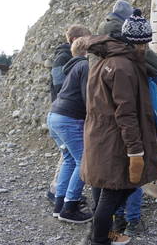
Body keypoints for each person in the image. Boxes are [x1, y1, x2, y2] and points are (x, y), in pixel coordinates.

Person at [82, 9, 157, 245]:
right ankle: (98, 240)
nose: (145, 48)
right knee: (116, 191)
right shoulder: (123, 67)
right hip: (116, 141)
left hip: (101, 137)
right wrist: (135, 151)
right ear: (134, 43)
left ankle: (97, 235)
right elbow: (125, 113)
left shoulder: (103, 61)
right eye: (143, 43)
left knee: (104, 191)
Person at [47, 36, 92, 223]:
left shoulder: (72, 67)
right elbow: (87, 97)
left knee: (69, 160)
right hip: (69, 119)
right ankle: (70, 207)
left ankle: (59, 205)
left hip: (54, 116)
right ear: (87, 51)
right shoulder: (85, 66)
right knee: (83, 161)